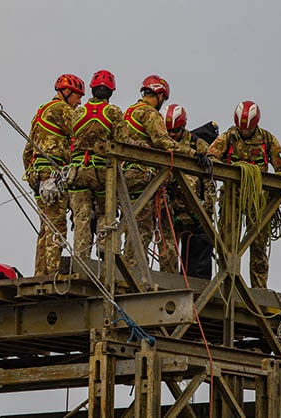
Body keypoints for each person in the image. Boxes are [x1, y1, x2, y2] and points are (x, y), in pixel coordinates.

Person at [115, 75, 209, 269]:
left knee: (131, 225)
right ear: (159, 95)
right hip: (143, 179)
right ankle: (137, 272)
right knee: (144, 229)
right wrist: (192, 153)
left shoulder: (128, 112)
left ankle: (129, 268)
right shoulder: (150, 114)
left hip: (124, 178)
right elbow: (163, 142)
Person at [207, 100, 281, 288]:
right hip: (232, 198)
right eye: (242, 129)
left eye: (247, 129)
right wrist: (226, 171)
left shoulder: (267, 139)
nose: (244, 133)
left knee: (259, 245)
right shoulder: (228, 137)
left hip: (258, 200)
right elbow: (210, 156)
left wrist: (278, 191)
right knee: (228, 244)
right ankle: (228, 285)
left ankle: (259, 289)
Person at [23, 74, 84, 276]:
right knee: (57, 225)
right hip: (52, 172)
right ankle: (53, 273)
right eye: (77, 96)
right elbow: (81, 131)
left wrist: (33, 176)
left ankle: (41, 272)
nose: (79, 101)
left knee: (45, 226)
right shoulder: (62, 109)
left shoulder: (40, 112)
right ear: (66, 93)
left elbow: (26, 152)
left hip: (38, 173)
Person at [69, 70, 123, 260]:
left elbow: (72, 139)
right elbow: (121, 142)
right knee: (104, 211)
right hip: (102, 172)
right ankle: (104, 246)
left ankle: (81, 257)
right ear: (111, 92)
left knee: (81, 216)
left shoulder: (77, 112)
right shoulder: (113, 112)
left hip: (78, 170)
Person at [158, 104, 215, 279]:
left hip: (194, 213)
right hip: (170, 209)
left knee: (197, 262)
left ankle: (197, 292)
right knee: (167, 256)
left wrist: (208, 210)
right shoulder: (162, 143)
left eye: (175, 131)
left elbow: (210, 179)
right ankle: (168, 286)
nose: (172, 135)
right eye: (169, 131)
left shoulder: (197, 145)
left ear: (183, 127)